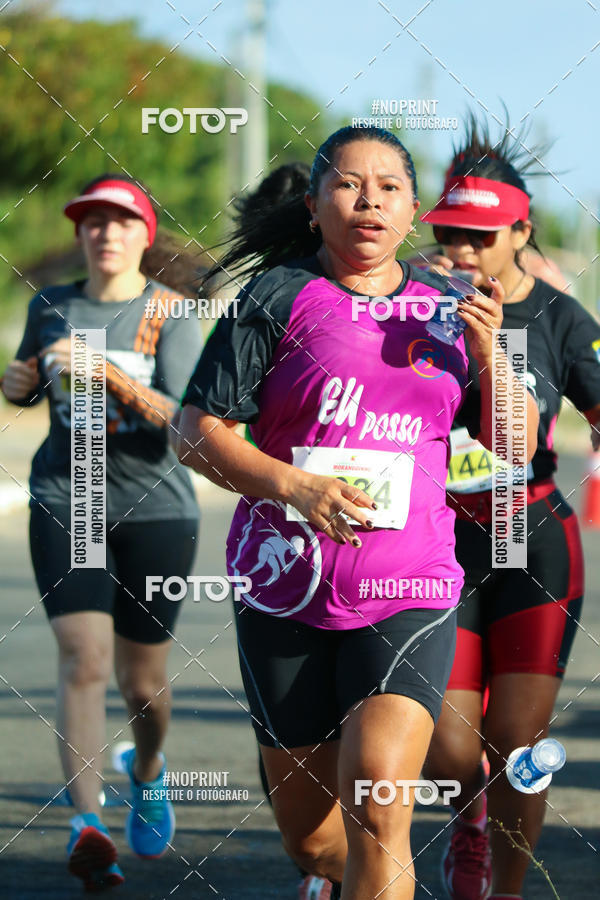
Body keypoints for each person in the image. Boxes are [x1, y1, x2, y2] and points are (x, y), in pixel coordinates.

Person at [173, 125, 538, 900]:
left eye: (388, 187)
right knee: (313, 837)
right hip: (285, 588)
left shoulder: (450, 307)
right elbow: (193, 431)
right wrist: (294, 488)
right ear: (313, 206)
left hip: (409, 586)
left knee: (378, 800)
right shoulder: (276, 298)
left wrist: (491, 358)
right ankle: (327, 878)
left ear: (412, 211)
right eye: (346, 184)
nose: (367, 199)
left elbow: (514, 441)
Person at [0, 174, 202, 891]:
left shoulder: (173, 313)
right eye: (92, 221)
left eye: (121, 222)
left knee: (141, 682)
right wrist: (17, 380)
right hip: (69, 495)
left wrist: (108, 374)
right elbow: (24, 386)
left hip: (156, 507)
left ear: (145, 235)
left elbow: (186, 424)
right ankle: (86, 825)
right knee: (82, 660)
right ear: (82, 234)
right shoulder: (50, 305)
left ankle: (146, 771)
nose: (106, 232)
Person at [418, 118, 600, 900]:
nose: (462, 251)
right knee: (450, 750)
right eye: (450, 234)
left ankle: (510, 884)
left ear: (521, 232)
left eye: (480, 237)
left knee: (518, 738)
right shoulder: (413, 306)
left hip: (533, 536)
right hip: (437, 542)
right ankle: (468, 820)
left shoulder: (560, 319)